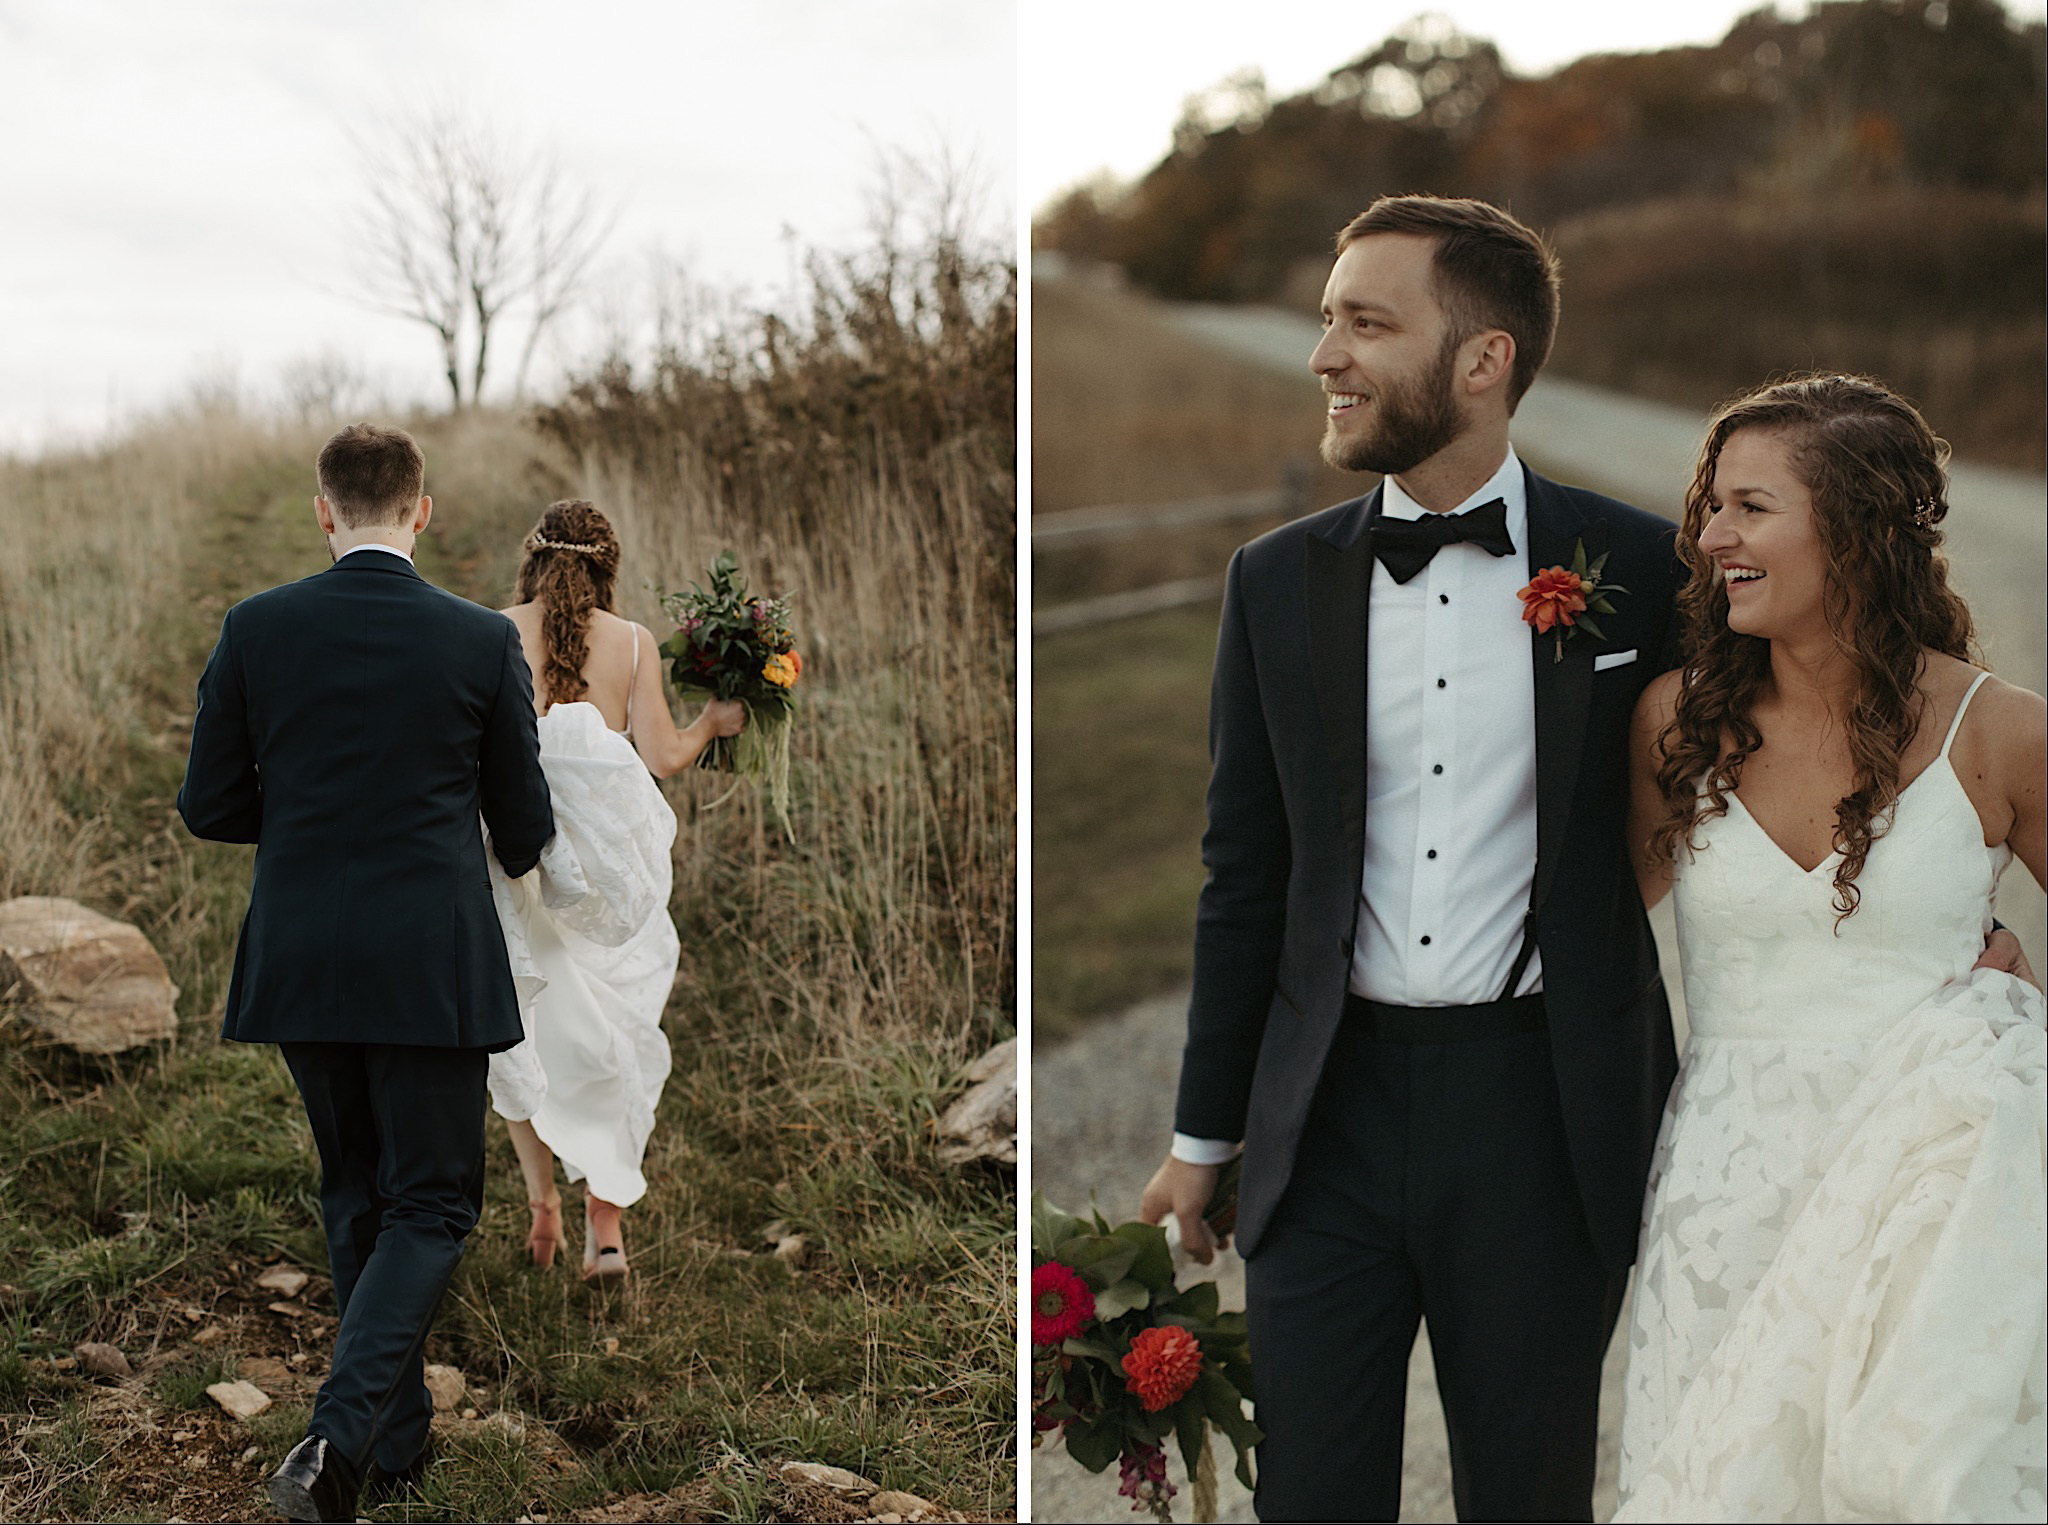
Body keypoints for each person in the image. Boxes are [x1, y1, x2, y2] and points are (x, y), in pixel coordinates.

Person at [1133, 197, 2028, 1521]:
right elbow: (1243, 875)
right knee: (1309, 1495)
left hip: (1540, 1107)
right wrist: (1204, 1134)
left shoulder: (1640, 567)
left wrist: (1951, 946)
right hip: (1323, 1110)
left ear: (1484, 359)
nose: (1326, 353)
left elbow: (1798, 742)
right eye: (1327, 320)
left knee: (1532, 1490)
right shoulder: (1274, 582)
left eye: (1365, 322)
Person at [1614, 374, 2045, 1522]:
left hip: (1934, 1191)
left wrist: (2019, 1021)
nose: (1709, 537)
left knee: (1904, 1484)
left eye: (1748, 508)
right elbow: (1592, 934)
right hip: (1725, 1190)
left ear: (1855, 528)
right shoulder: (1674, 720)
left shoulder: (1997, 730)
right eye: (1710, 506)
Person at [178, 423, 555, 1522]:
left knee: (355, 1188)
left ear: (323, 511)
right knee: (430, 1204)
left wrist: (301, 823)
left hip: (304, 952)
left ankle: (395, 1443)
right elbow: (522, 827)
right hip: (428, 958)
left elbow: (208, 802)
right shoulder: (479, 641)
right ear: (422, 510)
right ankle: (337, 1444)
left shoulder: (256, 628)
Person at [484, 499, 745, 1283]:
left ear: (533, 559)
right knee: (616, 1039)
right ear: (607, 566)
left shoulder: (491, 631)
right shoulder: (631, 642)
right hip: (607, 881)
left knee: (526, 1033)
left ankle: (541, 1212)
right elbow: (664, 755)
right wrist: (714, 723)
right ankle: (607, 1234)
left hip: (515, 861)